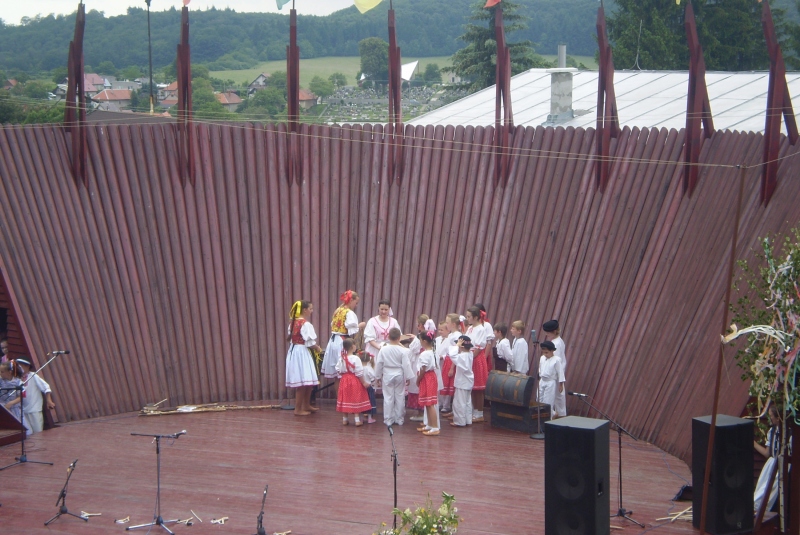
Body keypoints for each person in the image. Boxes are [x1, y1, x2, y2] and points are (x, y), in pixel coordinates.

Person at [285, 300, 321, 416]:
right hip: (302, 352)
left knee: (308, 380)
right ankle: (298, 409)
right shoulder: (305, 324)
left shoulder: (292, 322)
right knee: (302, 380)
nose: (312, 311)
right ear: (304, 310)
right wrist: (317, 348)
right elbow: (309, 342)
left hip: (295, 351)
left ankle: (306, 405)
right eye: (310, 309)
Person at [320, 290, 366, 380]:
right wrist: (360, 325)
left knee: (337, 375)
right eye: (356, 303)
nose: (356, 306)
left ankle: (338, 394)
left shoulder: (338, 310)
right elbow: (351, 330)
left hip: (333, 341)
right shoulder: (349, 313)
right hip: (342, 342)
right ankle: (343, 393)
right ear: (351, 300)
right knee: (343, 371)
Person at [374, 328, 413, 426]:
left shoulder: (383, 349)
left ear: (388, 337)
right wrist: (408, 377)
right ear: (399, 338)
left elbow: (379, 363)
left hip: (387, 373)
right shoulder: (403, 350)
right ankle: (399, 419)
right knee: (400, 396)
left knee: (388, 397)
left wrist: (377, 377)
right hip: (399, 373)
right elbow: (406, 364)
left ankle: (388, 419)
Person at [753, 405, 788, 512]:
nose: (770, 418)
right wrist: (753, 443)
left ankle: (760, 509)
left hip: (782, 464)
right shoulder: (772, 431)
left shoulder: (788, 433)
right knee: (762, 487)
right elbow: (767, 453)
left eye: (771, 416)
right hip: (771, 463)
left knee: (771, 488)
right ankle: (756, 508)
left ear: (778, 418)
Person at [335, 339, 372, 426]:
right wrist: (363, 383)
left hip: (344, 380)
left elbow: (338, 370)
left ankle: (345, 419)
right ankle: (357, 420)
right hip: (354, 379)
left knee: (346, 398)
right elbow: (359, 372)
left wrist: (343, 377)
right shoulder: (356, 358)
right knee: (355, 398)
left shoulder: (341, 358)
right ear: (352, 347)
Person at [15, 357, 55, 434]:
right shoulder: (17, 379)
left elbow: (46, 387)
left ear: (27, 366)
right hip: (23, 410)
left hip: (34, 408)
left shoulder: (33, 376)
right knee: (28, 432)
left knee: (38, 431)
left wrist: (49, 401)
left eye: (20, 366)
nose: (18, 368)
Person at [465, 306, 489, 422]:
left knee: (478, 388)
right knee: (472, 387)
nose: (467, 318)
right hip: (469, 358)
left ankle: (479, 413)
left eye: (469, 316)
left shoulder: (481, 329)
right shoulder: (469, 328)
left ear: (475, 317)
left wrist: (470, 358)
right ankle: (473, 410)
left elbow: (479, 347)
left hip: (476, 358)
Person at [415, 330, 440, 436]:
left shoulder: (425, 354)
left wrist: (418, 380)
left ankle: (435, 427)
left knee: (430, 404)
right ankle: (430, 425)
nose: (420, 342)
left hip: (427, 378)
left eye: (420, 340)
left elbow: (423, 369)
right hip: (431, 377)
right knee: (427, 403)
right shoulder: (433, 351)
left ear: (424, 341)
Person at [449, 336, 474, 427]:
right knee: (467, 402)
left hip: (462, 382)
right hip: (468, 381)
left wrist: (456, 346)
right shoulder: (470, 354)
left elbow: (452, 355)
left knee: (459, 403)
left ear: (462, 347)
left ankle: (459, 421)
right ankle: (467, 420)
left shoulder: (462, 356)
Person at [0, 360, 31, 434]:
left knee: (20, 427)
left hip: (14, 408)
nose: (0, 373)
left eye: (2, 372)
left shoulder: (18, 382)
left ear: (9, 372)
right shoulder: (1, 381)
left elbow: (21, 396)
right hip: (2, 407)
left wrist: (11, 403)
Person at [543, 320, 567, 417]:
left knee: (554, 396)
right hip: (558, 372)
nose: (547, 334)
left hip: (554, 374)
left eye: (548, 333)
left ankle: (555, 414)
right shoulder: (559, 341)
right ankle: (560, 414)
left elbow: (554, 360)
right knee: (559, 396)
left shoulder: (556, 344)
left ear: (554, 332)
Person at [439, 314, 460, 415]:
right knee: (445, 382)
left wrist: (452, 368)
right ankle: (444, 404)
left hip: (452, 361)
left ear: (453, 324)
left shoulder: (457, 335)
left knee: (450, 383)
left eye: (447, 323)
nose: (446, 325)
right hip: (448, 359)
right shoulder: (451, 335)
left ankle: (449, 406)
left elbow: (456, 352)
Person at [537, 341, 564, 418]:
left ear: (552, 351)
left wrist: (561, 384)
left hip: (550, 382)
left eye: (547, 352)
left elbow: (560, 373)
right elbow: (540, 368)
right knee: (539, 399)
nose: (545, 354)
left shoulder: (556, 360)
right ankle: (543, 416)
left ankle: (550, 416)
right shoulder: (542, 358)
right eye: (544, 352)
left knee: (548, 401)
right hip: (542, 380)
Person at [360, 351, 378, 424]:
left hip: (361, 387)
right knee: (370, 402)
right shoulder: (369, 368)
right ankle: (370, 418)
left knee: (361, 402)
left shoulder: (359, 368)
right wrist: (373, 383)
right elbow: (373, 377)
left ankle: (361, 418)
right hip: (369, 387)